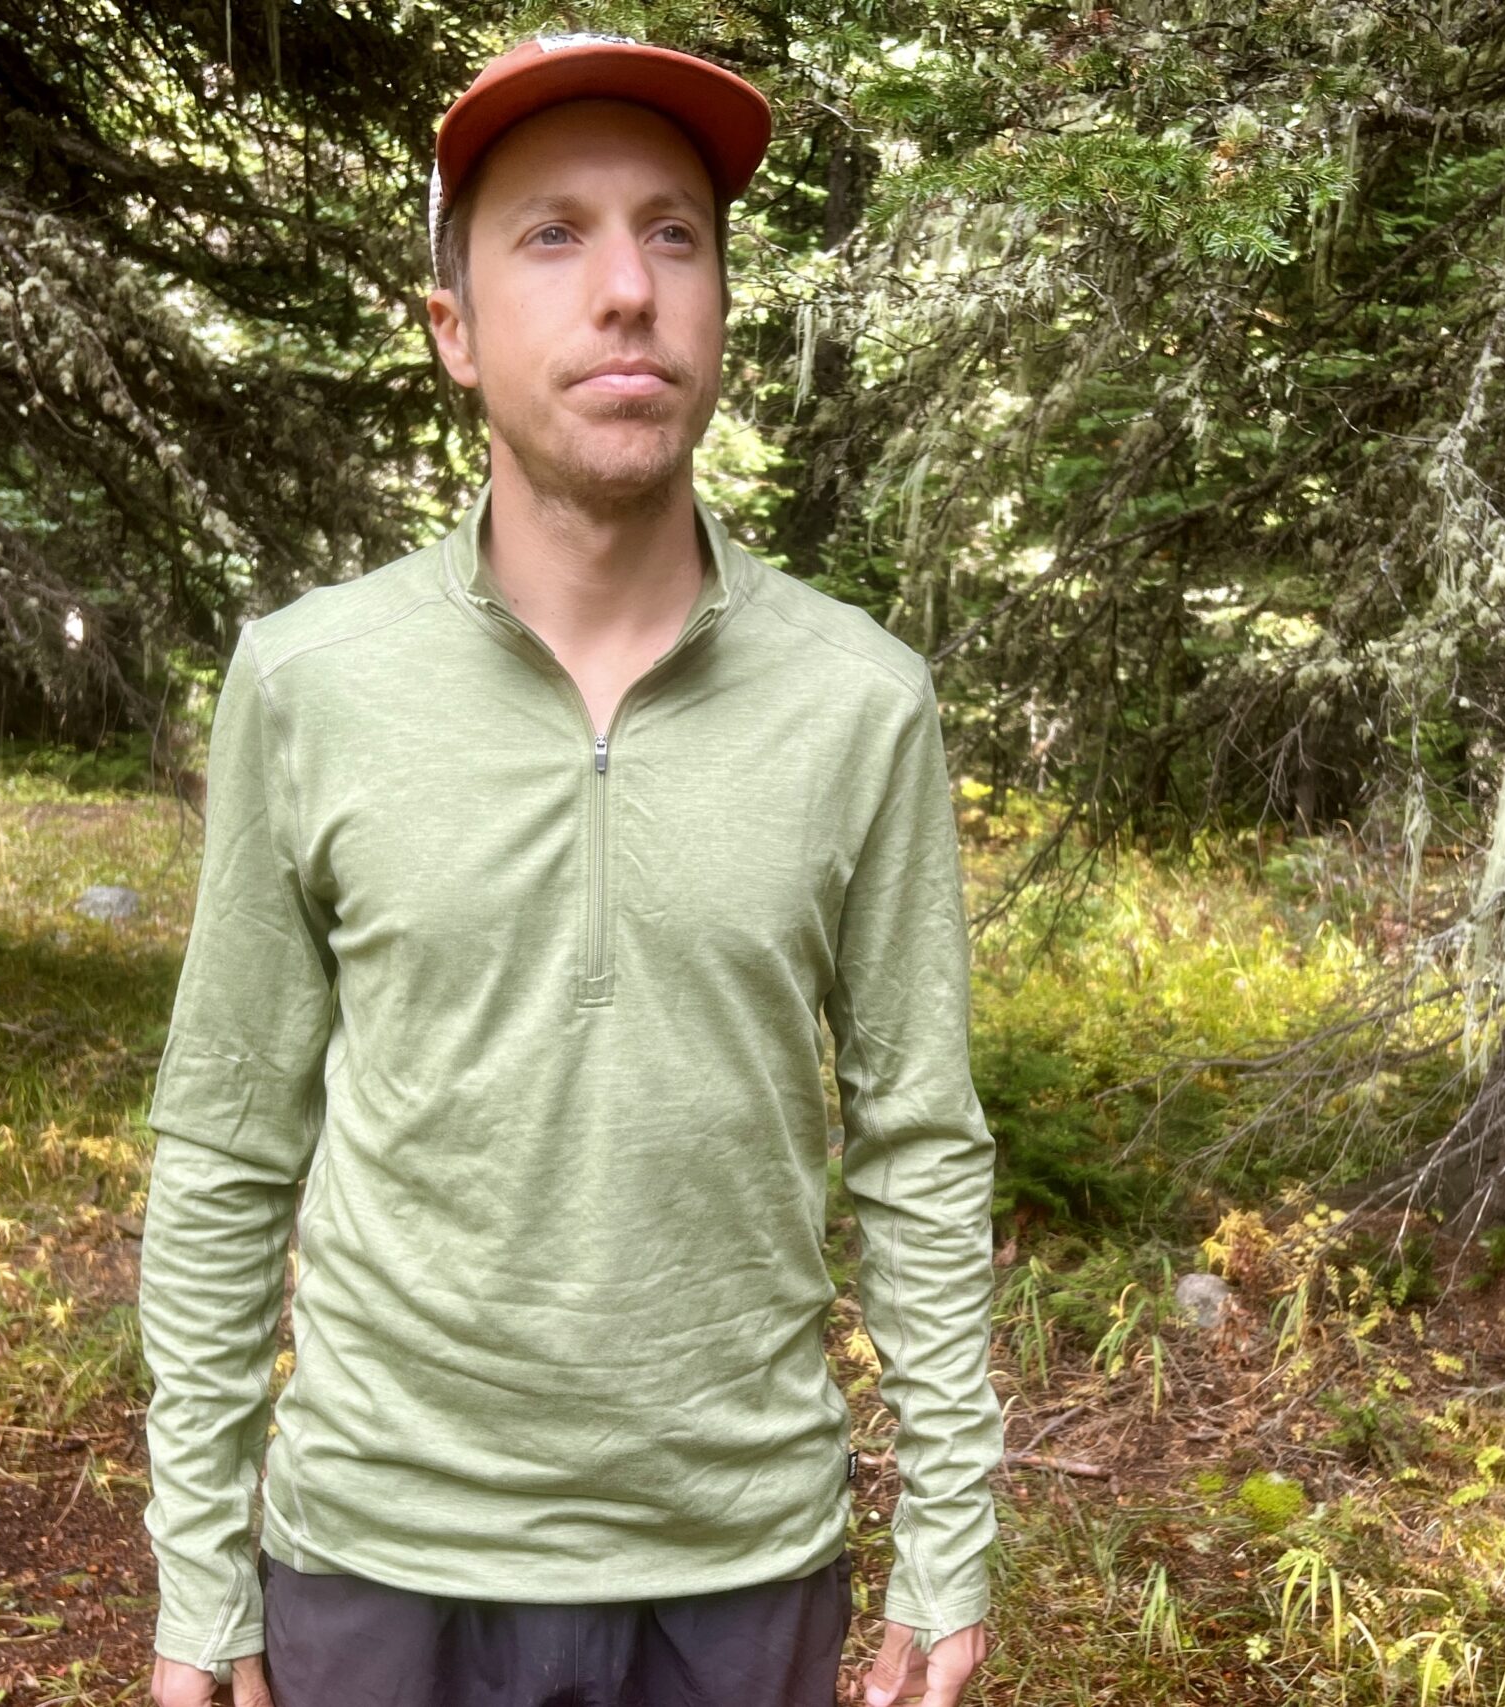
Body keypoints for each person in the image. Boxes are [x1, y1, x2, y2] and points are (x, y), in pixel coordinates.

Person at [138, 32, 1003, 1707]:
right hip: (380, 1559)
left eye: (675, 233)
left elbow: (919, 1139)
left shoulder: (861, 703)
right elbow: (229, 1137)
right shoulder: (310, 682)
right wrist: (198, 1580)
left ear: (724, 314)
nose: (628, 289)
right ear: (453, 330)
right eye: (555, 233)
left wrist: (951, 1534)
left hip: (741, 1562)